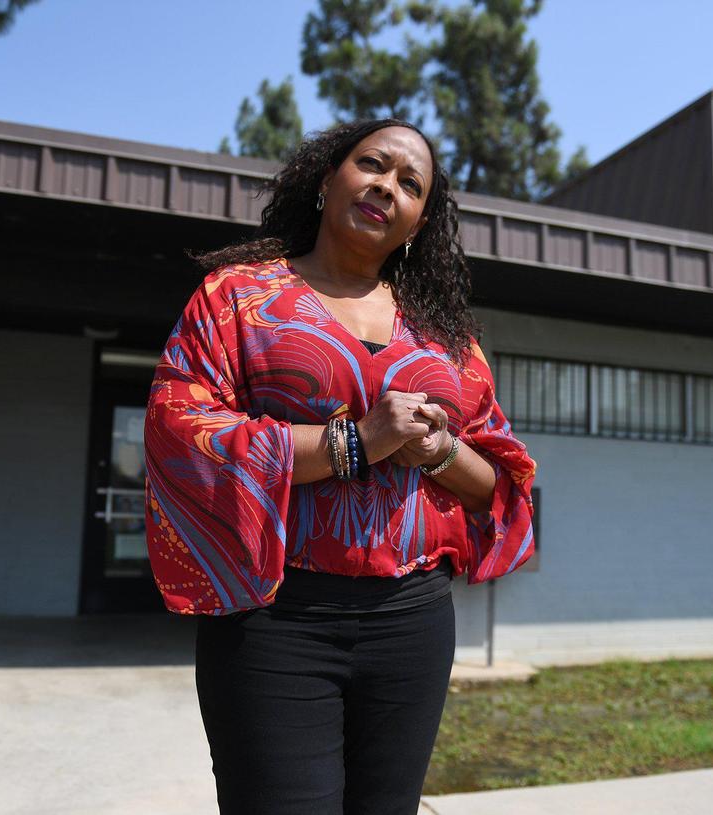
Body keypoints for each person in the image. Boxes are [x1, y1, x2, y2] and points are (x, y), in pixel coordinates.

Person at [143, 118, 537, 815]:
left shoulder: (449, 341)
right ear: (329, 180)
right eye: (374, 164)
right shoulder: (237, 298)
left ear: (418, 222)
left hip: (412, 620)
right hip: (275, 619)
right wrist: (356, 441)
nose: (387, 184)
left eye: (410, 184)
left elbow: (502, 488)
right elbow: (181, 431)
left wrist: (439, 450)